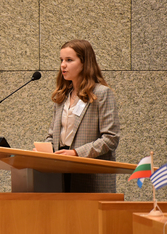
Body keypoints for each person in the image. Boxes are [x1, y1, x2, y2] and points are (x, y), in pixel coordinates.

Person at [44, 39, 120, 193]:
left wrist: (76, 153)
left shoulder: (101, 94)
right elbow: (52, 135)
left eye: (69, 60)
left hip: (89, 177)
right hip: (60, 174)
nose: (63, 65)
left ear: (85, 63)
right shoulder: (62, 96)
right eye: (61, 60)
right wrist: (44, 149)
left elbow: (111, 138)